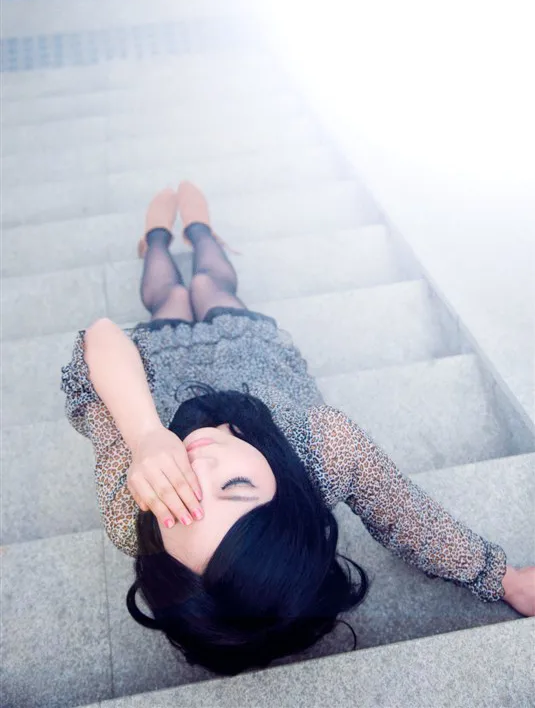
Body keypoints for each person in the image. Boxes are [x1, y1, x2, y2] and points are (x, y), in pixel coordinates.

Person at [60, 181, 533, 677]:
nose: (201, 463)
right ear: (289, 499)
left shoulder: (130, 510)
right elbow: (405, 516)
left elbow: (102, 337)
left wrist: (144, 436)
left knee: (169, 298)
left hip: (162, 364)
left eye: (182, 503)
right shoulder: (323, 450)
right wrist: (503, 578)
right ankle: (201, 233)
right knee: (212, 288)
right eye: (234, 485)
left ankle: (157, 238)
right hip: (249, 354)